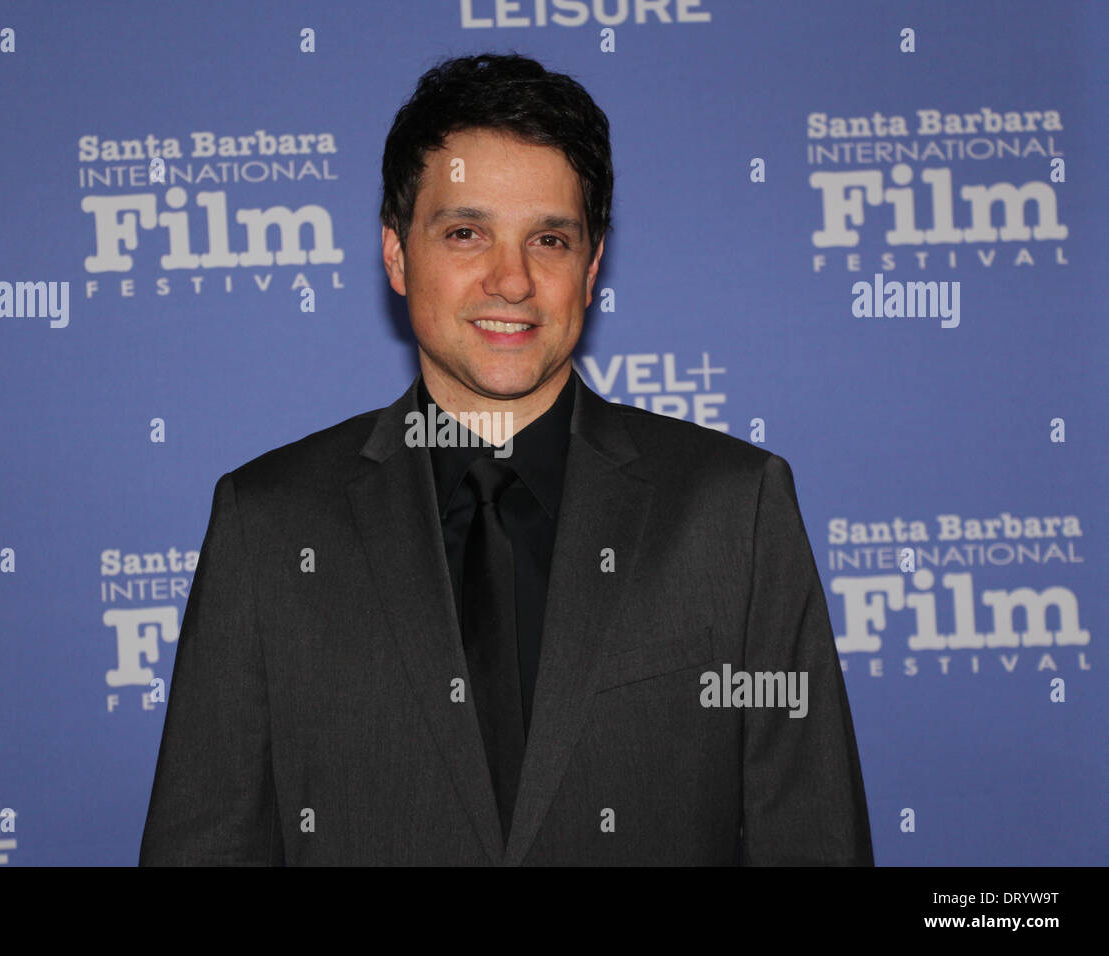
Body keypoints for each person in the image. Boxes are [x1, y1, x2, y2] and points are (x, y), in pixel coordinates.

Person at [139, 52, 874, 866]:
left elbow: (814, 841)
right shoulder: (268, 525)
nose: (512, 280)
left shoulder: (735, 511)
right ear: (395, 254)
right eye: (466, 233)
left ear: (591, 269)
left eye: (549, 239)